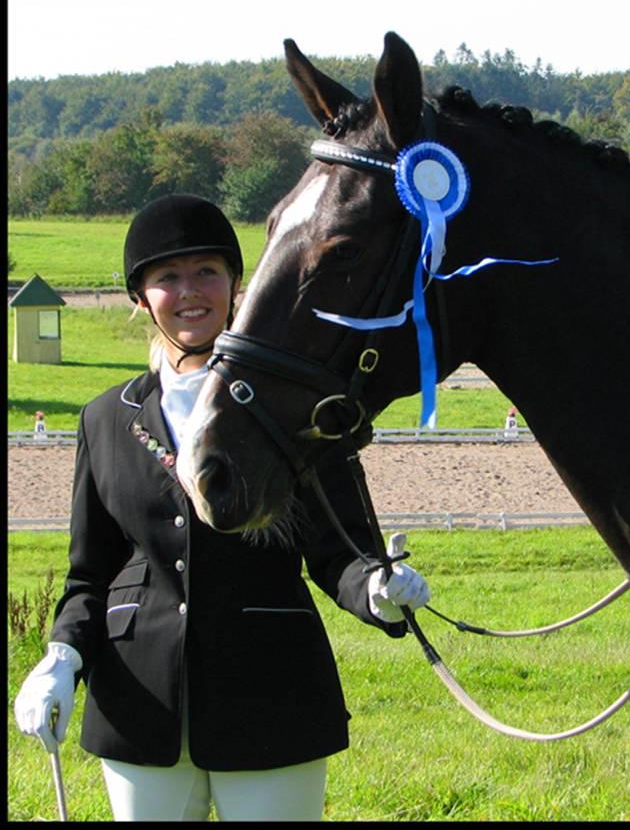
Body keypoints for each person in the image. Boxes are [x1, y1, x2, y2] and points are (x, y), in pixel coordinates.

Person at [14, 194, 431, 822]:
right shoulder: (104, 419)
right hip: (138, 701)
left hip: (271, 691)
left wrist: (373, 587)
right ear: (140, 297)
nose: (190, 292)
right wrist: (62, 656)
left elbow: (339, 546)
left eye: (207, 271)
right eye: (166, 278)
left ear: (237, 285)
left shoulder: (297, 408)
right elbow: (90, 572)